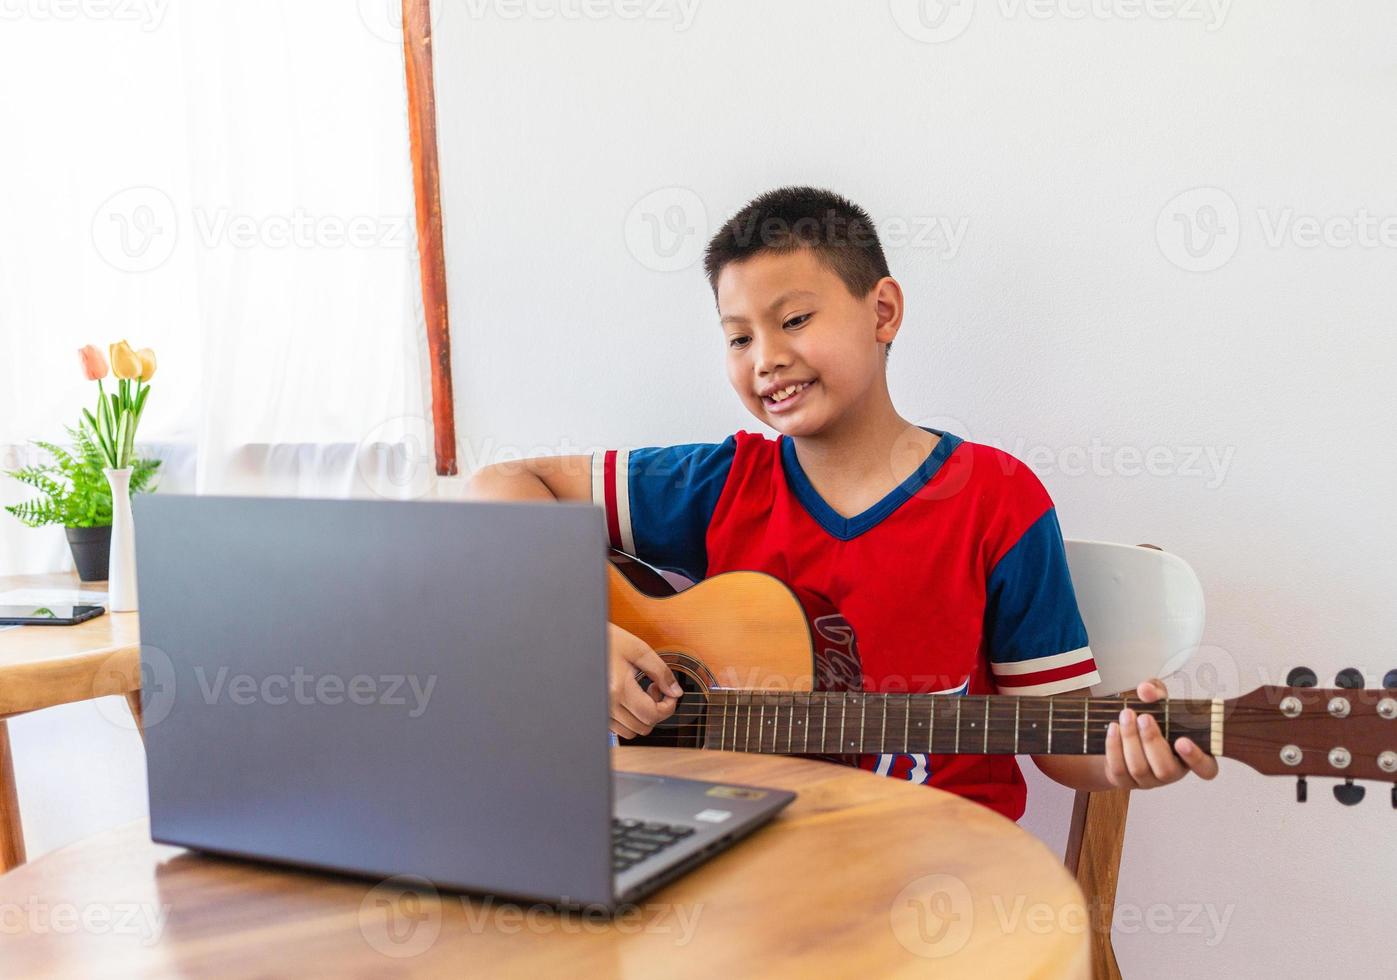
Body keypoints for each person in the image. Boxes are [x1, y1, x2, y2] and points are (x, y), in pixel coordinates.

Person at [465, 186, 1217, 820]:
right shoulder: (721, 483)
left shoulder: (994, 500)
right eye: (737, 338)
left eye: (793, 320)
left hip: (941, 879)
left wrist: (1124, 759)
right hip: (746, 863)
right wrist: (574, 632)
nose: (766, 359)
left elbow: (1060, 745)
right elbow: (502, 484)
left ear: (882, 311)